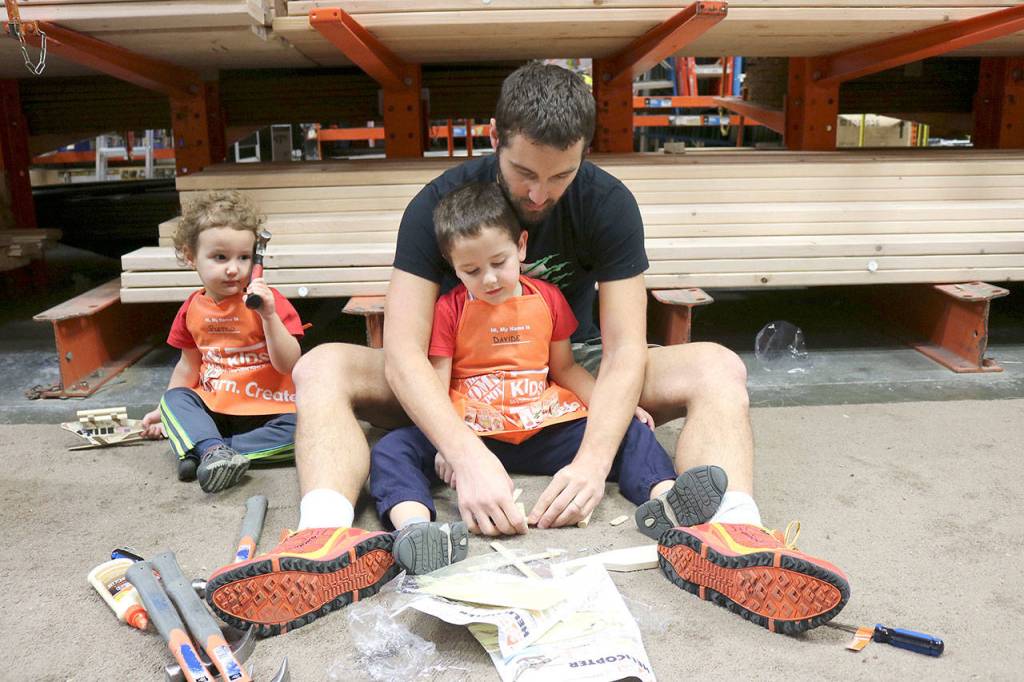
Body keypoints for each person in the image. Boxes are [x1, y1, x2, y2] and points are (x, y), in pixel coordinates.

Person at [204, 63, 848, 637]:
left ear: (584, 155)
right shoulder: (440, 206)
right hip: (457, 380)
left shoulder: (608, 202)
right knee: (321, 364)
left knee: (718, 365)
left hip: (564, 373)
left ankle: (729, 538)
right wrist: (465, 452)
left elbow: (626, 350)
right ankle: (324, 534)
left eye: (561, 175)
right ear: (494, 139)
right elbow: (403, 354)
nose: (541, 194)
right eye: (524, 174)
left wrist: (595, 461)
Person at [370, 181, 727, 575]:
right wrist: (448, 445)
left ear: (521, 247)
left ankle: (668, 502)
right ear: (451, 265)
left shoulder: (547, 298)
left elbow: (566, 368)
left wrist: (613, 406)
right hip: (473, 432)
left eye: (499, 262)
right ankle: (416, 529)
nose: (489, 279)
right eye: (471, 270)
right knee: (390, 450)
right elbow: (436, 380)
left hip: (541, 422)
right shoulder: (448, 309)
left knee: (628, 432)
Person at [140, 190, 304, 493]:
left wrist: (269, 317)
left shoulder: (270, 303)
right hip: (217, 409)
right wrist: (165, 413)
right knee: (175, 399)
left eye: (243, 257)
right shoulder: (191, 308)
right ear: (191, 257)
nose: (233, 268)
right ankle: (212, 448)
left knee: (307, 432)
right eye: (220, 257)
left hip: (269, 411)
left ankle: (206, 450)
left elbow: (289, 364)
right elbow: (188, 368)